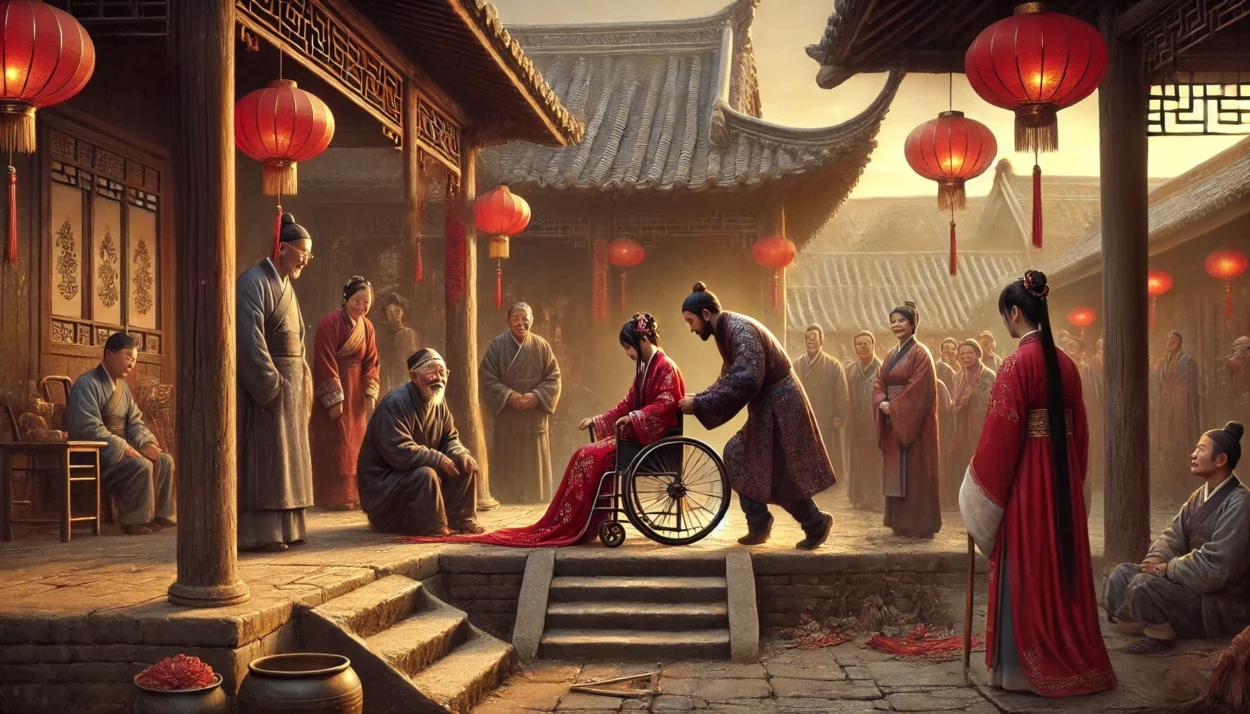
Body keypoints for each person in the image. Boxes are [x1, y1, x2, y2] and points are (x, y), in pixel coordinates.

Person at [960, 270, 1115, 697]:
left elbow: (1000, 439)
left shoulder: (1015, 364)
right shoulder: (1066, 363)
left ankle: (1019, 669)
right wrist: (1076, 480)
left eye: (1004, 316)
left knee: (1026, 557)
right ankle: (1075, 657)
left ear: (1014, 313)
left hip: (1029, 479)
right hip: (1061, 476)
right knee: (1057, 554)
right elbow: (1080, 431)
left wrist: (977, 490)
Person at [412, 314, 685, 546]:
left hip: (652, 440)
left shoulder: (665, 368)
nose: (628, 353)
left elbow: (665, 404)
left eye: (628, 347)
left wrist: (634, 418)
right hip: (626, 433)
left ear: (643, 341)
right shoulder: (646, 369)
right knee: (584, 454)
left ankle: (580, 521)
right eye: (516, 319)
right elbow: (627, 403)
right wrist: (600, 419)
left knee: (590, 456)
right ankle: (575, 520)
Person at [676, 282, 835, 550]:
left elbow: (746, 379)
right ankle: (762, 523)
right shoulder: (728, 331)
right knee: (740, 455)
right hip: (769, 405)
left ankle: (814, 523)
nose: (691, 329)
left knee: (778, 470)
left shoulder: (738, 330)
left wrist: (700, 403)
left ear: (705, 314)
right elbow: (728, 377)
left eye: (691, 321)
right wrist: (700, 398)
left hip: (781, 405)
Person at [1105, 422, 1250, 655]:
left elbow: (1219, 567)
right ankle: (1148, 617)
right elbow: (1173, 535)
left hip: (1217, 603)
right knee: (1123, 573)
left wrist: (1169, 569)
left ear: (1220, 459)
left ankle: (1161, 635)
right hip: (1190, 582)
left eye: (1201, 450)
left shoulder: (1241, 502)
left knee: (1144, 585)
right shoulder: (1197, 497)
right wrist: (1156, 559)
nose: (1193, 455)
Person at [236, 212, 315, 552]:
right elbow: (248, 338)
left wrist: (303, 380)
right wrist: (271, 384)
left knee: (290, 457)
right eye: (302, 253)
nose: (305, 261)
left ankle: (289, 528)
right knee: (269, 459)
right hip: (268, 389)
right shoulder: (253, 282)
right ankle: (263, 532)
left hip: (292, 385)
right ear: (282, 249)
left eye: (308, 254)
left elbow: (297, 341)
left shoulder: (287, 287)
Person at [358, 349, 482, 536]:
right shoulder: (395, 403)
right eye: (432, 371)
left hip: (415, 480)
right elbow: (399, 451)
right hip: (385, 489)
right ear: (414, 377)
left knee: (464, 465)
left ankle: (463, 519)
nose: (439, 378)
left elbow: (449, 438)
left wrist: (460, 453)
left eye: (442, 372)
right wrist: (437, 458)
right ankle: (434, 527)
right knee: (426, 474)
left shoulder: (438, 402)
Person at [66, 332, 175, 535]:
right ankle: (134, 521)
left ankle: (159, 515)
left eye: (134, 360)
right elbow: (87, 428)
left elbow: (134, 422)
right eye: (127, 357)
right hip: (98, 457)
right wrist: (123, 447)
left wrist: (145, 442)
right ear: (109, 354)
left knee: (164, 460)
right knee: (140, 465)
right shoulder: (86, 384)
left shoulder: (123, 388)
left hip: (119, 453)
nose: (131, 364)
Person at [479, 302, 562, 504]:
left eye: (525, 318)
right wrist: (509, 395)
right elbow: (486, 378)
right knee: (508, 461)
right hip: (508, 416)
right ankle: (507, 498)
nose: (521, 323)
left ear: (532, 321)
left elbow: (554, 378)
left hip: (534, 417)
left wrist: (536, 396)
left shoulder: (542, 346)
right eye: (515, 318)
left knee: (534, 464)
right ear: (508, 321)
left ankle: (536, 501)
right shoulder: (497, 346)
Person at [310, 276, 380, 510]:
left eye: (366, 302)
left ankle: (355, 494)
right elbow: (324, 359)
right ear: (345, 300)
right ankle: (333, 496)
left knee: (355, 443)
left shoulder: (367, 327)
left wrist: (370, 391)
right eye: (357, 301)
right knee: (337, 442)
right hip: (338, 387)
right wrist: (333, 398)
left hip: (356, 391)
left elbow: (371, 361)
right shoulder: (330, 323)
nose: (361, 307)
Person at [873, 301, 942, 538]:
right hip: (894, 419)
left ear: (913, 324)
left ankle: (920, 523)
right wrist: (882, 400)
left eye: (902, 321)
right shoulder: (891, 354)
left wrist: (895, 406)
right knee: (897, 471)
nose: (897, 325)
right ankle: (899, 521)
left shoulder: (921, 353)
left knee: (916, 471)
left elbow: (920, 389)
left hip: (915, 424)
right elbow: (879, 381)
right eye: (893, 321)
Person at [794, 325, 849, 483]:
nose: (810, 341)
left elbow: (841, 393)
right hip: (805, 414)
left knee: (828, 450)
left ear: (821, 340)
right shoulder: (797, 365)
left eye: (814, 338)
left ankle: (830, 481)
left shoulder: (833, 365)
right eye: (807, 338)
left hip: (826, 415)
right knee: (806, 449)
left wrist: (839, 415)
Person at [1153, 330, 1202, 503]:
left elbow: (1193, 387)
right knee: (1167, 445)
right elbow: (1158, 382)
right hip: (1166, 405)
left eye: (1173, 339)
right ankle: (1167, 487)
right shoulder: (1163, 361)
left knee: (1182, 443)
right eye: (1168, 339)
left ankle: (1184, 487)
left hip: (1182, 406)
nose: (1169, 342)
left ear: (1180, 341)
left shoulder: (1187, 360)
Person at [948, 339, 994, 508]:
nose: (966, 357)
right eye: (962, 354)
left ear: (977, 354)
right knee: (963, 460)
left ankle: (982, 501)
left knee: (979, 462)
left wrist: (972, 394)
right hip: (960, 425)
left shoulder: (988, 375)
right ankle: (965, 500)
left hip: (979, 426)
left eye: (970, 353)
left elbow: (991, 402)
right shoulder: (957, 376)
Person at [847, 330, 884, 511]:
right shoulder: (851, 370)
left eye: (865, 343)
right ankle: (863, 498)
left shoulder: (882, 369)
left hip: (876, 422)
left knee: (876, 462)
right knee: (860, 461)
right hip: (858, 422)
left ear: (872, 345)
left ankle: (877, 499)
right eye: (859, 344)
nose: (862, 346)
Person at [377, 293, 420, 396]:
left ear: (401, 314)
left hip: (403, 381)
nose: (392, 315)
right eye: (389, 312)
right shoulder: (381, 335)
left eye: (396, 311)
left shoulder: (408, 334)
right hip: (384, 381)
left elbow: (410, 361)